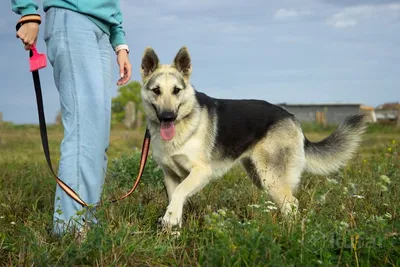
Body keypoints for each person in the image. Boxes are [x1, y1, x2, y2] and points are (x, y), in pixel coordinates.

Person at [11, 0, 132, 236]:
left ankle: (87, 223)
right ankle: (69, 229)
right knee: (83, 132)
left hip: (102, 30)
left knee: (98, 137)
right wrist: (28, 13)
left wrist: (120, 44)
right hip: (72, 18)